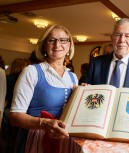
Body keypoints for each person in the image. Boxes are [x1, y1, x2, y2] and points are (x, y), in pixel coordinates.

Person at [10, 25, 81, 153]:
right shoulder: (32, 71)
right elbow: (15, 117)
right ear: (44, 45)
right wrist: (44, 124)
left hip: (65, 139)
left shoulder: (73, 77)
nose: (57, 44)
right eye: (51, 40)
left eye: (63, 40)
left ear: (69, 45)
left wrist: (83, 93)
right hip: (37, 139)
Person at [1, 58, 28, 153]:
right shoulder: (25, 79)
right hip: (21, 113)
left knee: (6, 138)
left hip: (7, 109)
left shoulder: (7, 78)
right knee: (17, 139)